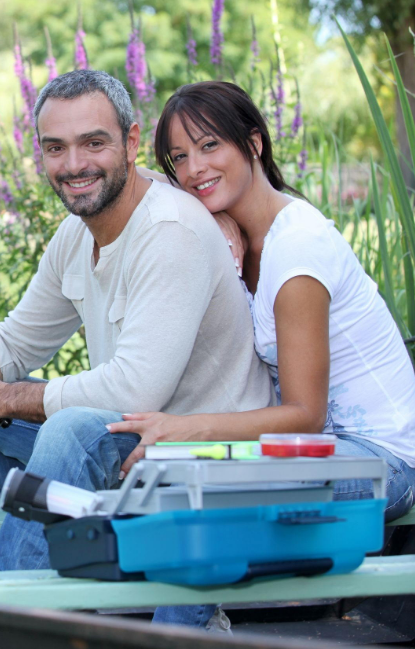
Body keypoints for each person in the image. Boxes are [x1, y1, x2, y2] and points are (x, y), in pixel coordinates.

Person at [0, 70, 272, 629]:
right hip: (134, 455)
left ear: (132, 143)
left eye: (94, 143)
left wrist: (3, 397)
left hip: (204, 464)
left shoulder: (171, 231)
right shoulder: (77, 235)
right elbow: (13, 341)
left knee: (72, 429)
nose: (74, 165)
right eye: (55, 148)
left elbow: (135, 391)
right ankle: (31, 583)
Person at [104, 80, 415, 628]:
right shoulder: (245, 238)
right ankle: (189, 623)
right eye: (178, 158)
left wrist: (181, 430)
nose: (193, 169)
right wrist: (221, 218)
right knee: (175, 479)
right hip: (318, 452)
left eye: (209, 147)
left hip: (382, 461)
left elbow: (304, 415)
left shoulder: (297, 250)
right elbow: (152, 184)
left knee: (212, 496)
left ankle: (180, 631)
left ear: (253, 143)